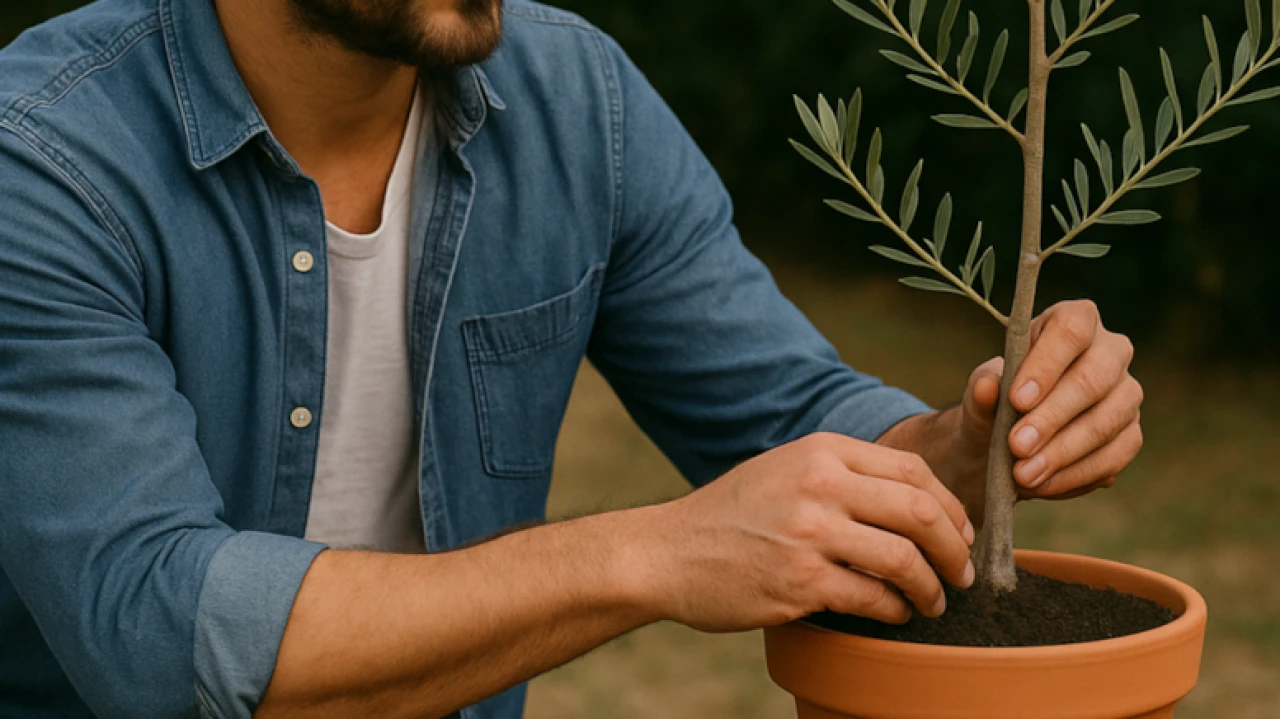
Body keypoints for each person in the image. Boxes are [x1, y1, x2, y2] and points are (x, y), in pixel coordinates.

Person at [0, 0, 1144, 717]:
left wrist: (969, 437)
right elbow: (156, 630)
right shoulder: (46, 165)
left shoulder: (575, 104)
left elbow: (787, 414)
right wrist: (652, 553)